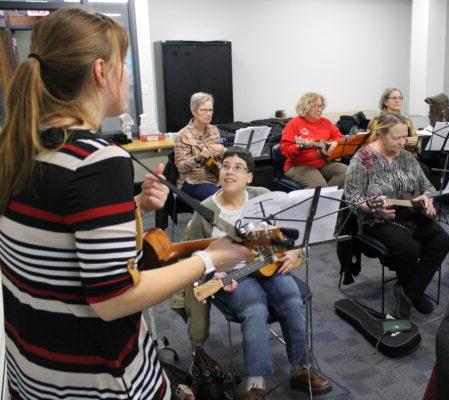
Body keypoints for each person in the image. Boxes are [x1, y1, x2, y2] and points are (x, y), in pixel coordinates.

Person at [0, 9, 252, 399]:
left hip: (34, 373)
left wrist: (131, 202)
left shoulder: (20, 146)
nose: (128, 76)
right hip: (98, 379)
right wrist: (210, 260)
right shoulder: (97, 161)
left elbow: (56, 231)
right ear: (101, 71)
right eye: (125, 64)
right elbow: (114, 299)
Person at [183, 146, 332, 400]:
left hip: (270, 267)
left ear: (249, 177)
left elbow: (293, 231)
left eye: (238, 167)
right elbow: (193, 257)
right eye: (225, 166)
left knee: (291, 297)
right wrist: (211, 273)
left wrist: (295, 250)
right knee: (254, 308)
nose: (230, 171)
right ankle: (256, 382)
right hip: (232, 277)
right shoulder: (206, 210)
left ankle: (301, 368)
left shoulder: (263, 196)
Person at [344, 112, 449, 319]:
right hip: (376, 218)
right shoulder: (363, 158)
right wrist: (372, 208)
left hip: (408, 213)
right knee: (408, 248)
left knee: (442, 240)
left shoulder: (405, 157)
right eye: (396, 138)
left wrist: (427, 198)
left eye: (405, 136)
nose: (402, 142)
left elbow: (427, 186)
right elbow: (352, 198)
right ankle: (415, 292)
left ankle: (409, 292)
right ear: (381, 134)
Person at [279, 92, 348, 188]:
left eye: (322, 106)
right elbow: (285, 150)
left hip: (324, 163)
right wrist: (300, 146)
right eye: (317, 106)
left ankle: (329, 199)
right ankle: (324, 198)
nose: (320, 110)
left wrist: (336, 142)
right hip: (299, 166)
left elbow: (341, 137)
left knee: (347, 172)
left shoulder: (326, 122)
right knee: (319, 186)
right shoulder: (293, 124)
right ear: (306, 107)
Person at [174, 92, 225, 201]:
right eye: (204, 110)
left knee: (239, 190)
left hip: (215, 177)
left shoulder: (214, 130)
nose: (208, 114)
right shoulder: (182, 135)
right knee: (219, 198)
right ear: (194, 111)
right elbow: (181, 167)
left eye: (210, 110)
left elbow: (218, 162)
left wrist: (223, 152)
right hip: (193, 181)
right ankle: (213, 218)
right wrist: (198, 158)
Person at [368, 87, 420, 156]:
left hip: (405, 157)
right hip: (382, 157)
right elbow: (370, 144)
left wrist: (415, 142)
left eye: (400, 98)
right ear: (385, 102)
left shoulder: (407, 120)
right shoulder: (376, 121)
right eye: (394, 98)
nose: (398, 101)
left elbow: (417, 142)